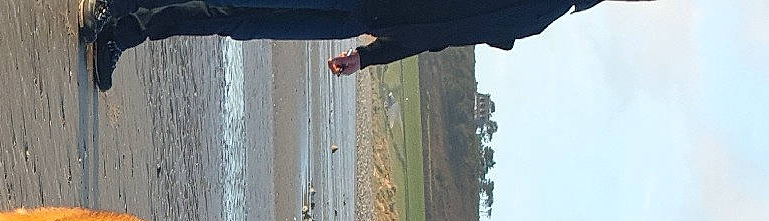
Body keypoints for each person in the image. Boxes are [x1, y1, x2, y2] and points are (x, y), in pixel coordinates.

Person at [81, 0, 643, 91]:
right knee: (238, 11)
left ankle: (127, 24)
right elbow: (441, 37)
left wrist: (368, 54)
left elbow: (439, 37)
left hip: (361, 14)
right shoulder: (535, 19)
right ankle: (123, 21)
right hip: (361, 8)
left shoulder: (535, 18)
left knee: (239, 17)